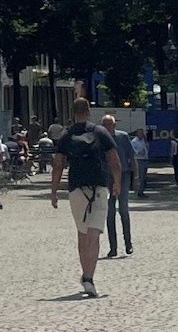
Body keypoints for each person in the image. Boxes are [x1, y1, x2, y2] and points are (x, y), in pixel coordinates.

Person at [51, 98, 120, 298]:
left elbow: (58, 165)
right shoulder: (100, 132)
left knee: (82, 233)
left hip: (76, 189)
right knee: (94, 234)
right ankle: (89, 276)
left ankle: (86, 275)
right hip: (98, 186)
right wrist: (117, 181)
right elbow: (114, 159)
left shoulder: (66, 135)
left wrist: (54, 191)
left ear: (73, 113)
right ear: (89, 111)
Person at [101, 115, 136, 258]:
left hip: (123, 176)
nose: (108, 127)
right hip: (106, 178)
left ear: (115, 125)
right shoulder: (99, 139)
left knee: (123, 210)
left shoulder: (123, 137)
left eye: (110, 124)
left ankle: (128, 243)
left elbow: (131, 156)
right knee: (109, 213)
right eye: (105, 125)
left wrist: (137, 177)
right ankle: (113, 247)